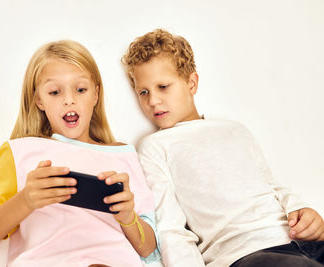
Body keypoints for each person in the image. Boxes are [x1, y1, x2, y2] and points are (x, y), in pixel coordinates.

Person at [121, 29, 324, 267]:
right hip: (245, 254)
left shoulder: (235, 130)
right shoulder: (155, 146)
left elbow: (272, 185)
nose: (153, 101)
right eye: (143, 92)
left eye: (163, 87)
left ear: (191, 83)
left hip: (300, 240)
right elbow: (169, 226)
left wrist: (301, 209)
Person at [0, 40, 160, 267]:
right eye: (55, 92)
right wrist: (26, 201)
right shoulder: (20, 152)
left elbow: (150, 249)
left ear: (95, 95)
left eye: (81, 89)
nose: (68, 99)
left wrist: (128, 217)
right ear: (39, 100)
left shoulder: (124, 156)